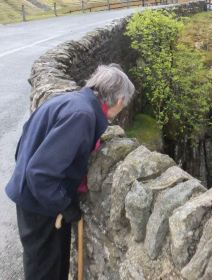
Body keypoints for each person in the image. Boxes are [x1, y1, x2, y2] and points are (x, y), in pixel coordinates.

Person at [5, 64, 135, 280]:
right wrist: (64, 204)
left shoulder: (70, 101)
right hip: (41, 206)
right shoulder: (81, 115)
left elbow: (25, 143)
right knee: (46, 271)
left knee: (44, 265)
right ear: (120, 100)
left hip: (33, 198)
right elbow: (41, 173)